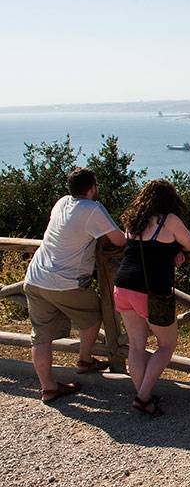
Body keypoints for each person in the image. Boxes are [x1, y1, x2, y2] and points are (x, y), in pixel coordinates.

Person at [23, 168, 126, 403]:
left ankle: (48, 387)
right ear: (92, 188)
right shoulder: (92, 209)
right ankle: (84, 358)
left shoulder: (61, 203)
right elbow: (119, 240)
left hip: (36, 276)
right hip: (65, 281)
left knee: (40, 336)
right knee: (94, 314)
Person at [113, 180, 190, 417]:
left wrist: (171, 251)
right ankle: (142, 397)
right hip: (150, 291)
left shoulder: (133, 219)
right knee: (167, 344)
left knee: (136, 345)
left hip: (122, 286)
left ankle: (144, 396)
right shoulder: (168, 220)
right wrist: (176, 251)